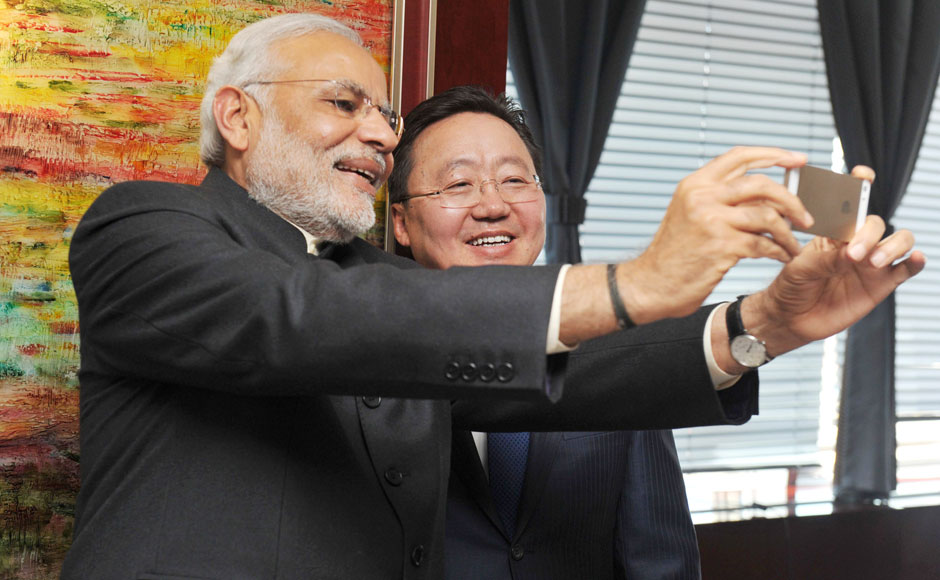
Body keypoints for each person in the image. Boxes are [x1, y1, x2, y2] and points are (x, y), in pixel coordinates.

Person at [62, 12, 924, 580]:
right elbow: (297, 321)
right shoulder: (141, 228)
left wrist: (762, 324)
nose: (377, 130)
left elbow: (576, 379)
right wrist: (639, 282)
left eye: (386, 116)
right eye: (343, 102)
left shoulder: (377, 285)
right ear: (238, 119)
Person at [388, 86, 701, 579]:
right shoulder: (367, 350)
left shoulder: (612, 348)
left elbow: (660, 558)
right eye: (459, 185)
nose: (493, 205)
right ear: (401, 223)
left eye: (514, 179)